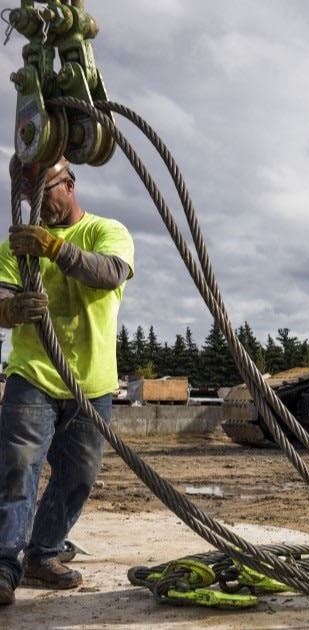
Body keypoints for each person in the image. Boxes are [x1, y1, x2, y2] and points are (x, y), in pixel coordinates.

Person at [0, 156, 134, 606]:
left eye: (45, 193)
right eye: (27, 198)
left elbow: (109, 273)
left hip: (91, 386)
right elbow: (0, 295)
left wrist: (56, 250)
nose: (38, 207)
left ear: (70, 183)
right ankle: (3, 566)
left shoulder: (106, 231)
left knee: (78, 476)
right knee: (18, 470)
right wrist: (10, 310)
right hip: (33, 377)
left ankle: (42, 554)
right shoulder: (16, 245)